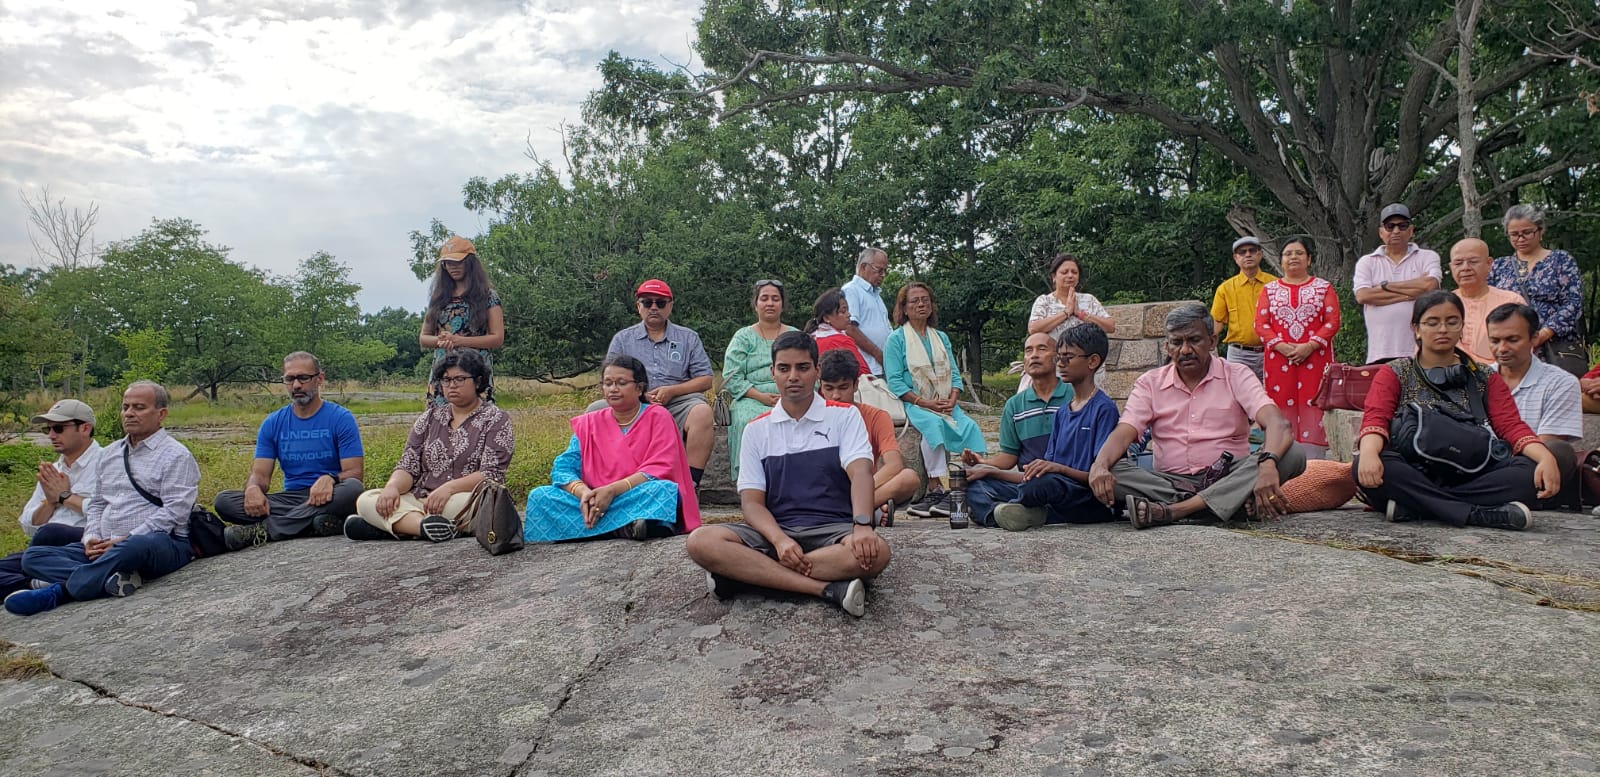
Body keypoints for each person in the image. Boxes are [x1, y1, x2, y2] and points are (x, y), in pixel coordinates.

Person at [685, 331, 889, 617]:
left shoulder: (844, 416)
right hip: (774, 533)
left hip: (833, 530)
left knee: (877, 553)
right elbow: (752, 503)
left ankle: (747, 576)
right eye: (784, 368)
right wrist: (780, 540)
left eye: (802, 367)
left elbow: (861, 474)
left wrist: (863, 525)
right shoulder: (756, 429)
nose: (793, 376)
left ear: (817, 370)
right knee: (700, 541)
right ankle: (825, 589)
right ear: (773, 372)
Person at [1352, 291, 1560, 530]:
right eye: (1432, 322)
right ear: (1416, 329)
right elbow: (1376, 418)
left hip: (1471, 470)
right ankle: (1478, 514)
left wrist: (1545, 457)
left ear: (1462, 327)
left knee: (1529, 472)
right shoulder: (1395, 372)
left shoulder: (1484, 376)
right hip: (1414, 470)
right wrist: (1369, 453)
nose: (1443, 329)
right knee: (1367, 465)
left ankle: (1418, 506)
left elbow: (1510, 425)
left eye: (1452, 322)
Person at [1087, 303, 1307, 529]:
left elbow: (1277, 423)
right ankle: (1224, 504)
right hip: (1171, 481)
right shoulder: (1150, 383)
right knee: (1113, 471)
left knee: (1293, 453)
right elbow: (1125, 431)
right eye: (1176, 342)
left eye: (1194, 340)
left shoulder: (1237, 374)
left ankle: (1176, 510)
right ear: (1167, 347)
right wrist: (1099, 465)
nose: (1185, 350)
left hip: (1229, 474)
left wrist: (1268, 464)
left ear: (1212, 341)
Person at [5, 382, 199, 616]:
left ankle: (61, 591)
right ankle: (110, 577)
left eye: (139, 407)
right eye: (125, 407)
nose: (129, 413)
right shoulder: (110, 454)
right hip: (106, 544)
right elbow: (98, 504)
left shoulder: (176, 455)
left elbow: (175, 512)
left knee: (136, 546)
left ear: (161, 414)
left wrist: (125, 538)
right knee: (33, 557)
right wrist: (91, 537)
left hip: (157, 543)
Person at [524, 355, 702, 542]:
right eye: (608, 383)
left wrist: (612, 491)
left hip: (634, 493)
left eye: (621, 383)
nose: (613, 389)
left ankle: (589, 527)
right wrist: (584, 493)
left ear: (639, 388)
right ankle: (624, 526)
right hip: (594, 497)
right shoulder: (590, 422)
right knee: (540, 496)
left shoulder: (658, 416)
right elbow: (564, 467)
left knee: (664, 490)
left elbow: (661, 466)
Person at [346, 350, 514, 542]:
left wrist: (449, 488)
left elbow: (491, 474)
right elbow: (408, 466)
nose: (452, 385)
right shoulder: (429, 418)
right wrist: (392, 487)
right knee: (366, 500)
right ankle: (424, 527)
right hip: (421, 498)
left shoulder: (496, 419)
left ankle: (396, 526)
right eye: (446, 380)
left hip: (463, 499)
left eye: (459, 379)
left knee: (486, 507)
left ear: (478, 381)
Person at [214, 352, 365, 551]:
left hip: (329, 495)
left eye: (303, 378)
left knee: (352, 489)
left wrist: (331, 478)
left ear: (319, 378)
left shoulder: (340, 418)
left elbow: (355, 473)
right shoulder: (273, 423)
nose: (296, 385)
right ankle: (313, 524)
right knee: (224, 501)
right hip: (291, 499)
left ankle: (263, 531)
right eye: (289, 379)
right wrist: (253, 488)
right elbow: (260, 474)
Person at [988, 326, 1122, 531]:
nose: (1060, 364)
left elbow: (1098, 475)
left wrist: (1058, 469)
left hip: (1086, 494)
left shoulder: (1103, 408)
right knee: (980, 486)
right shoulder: (1061, 412)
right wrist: (990, 472)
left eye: (1068, 358)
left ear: (1092, 361)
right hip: (1057, 490)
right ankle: (1024, 513)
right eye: (1059, 358)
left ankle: (1018, 511)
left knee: (1040, 486)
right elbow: (1047, 468)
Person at [592, 279, 714, 488]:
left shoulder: (688, 338)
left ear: (670, 305)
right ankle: (602, 479)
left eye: (661, 302)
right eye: (647, 302)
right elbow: (608, 378)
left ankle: (690, 483)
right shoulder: (622, 339)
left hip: (677, 402)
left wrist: (672, 391)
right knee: (594, 411)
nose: (654, 307)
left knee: (702, 412)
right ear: (638, 306)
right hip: (633, 402)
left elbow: (706, 379)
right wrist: (638, 394)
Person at [884, 282, 988, 518]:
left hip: (945, 403)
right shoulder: (896, 339)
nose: (921, 304)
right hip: (915, 403)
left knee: (970, 427)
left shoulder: (940, 337)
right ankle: (935, 487)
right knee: (933, 425)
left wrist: (953, 399)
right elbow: (895, 382)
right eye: (915, 301)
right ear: (904, 308)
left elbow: (954, 374)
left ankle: (969, 484)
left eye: (925, 300)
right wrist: (925, 403)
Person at [959, 333, 1070, 527]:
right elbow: (1009, 457)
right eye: (1028, 351)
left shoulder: (1073, 396)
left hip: (1063, 482)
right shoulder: (1015, 405)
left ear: (1057, 357)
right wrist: (984, 464)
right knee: (973, 484)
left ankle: (1024, 512)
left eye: (1042, 349)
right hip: (1025, 483)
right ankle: (1001, 514)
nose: (1034, 355)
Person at [0, 400, 104, 598]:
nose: (51, 435)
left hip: (85, 541)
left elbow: (113, 511)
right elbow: (28, 525)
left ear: (85, 428)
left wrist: (65, 497)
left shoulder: (108, 462)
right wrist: (50, 502)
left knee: (51, 532)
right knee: (37, 544)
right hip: (45, 550)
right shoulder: (54, 470)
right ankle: (39, 584)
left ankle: (46, 579)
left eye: (58, 428)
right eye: (48, 429)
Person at [1486, 303, 1583, 510]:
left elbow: (1546, 445)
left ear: (1534, 338)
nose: (1502, 348)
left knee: (1558, 452)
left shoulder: (1561, 382)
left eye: (1512, 340)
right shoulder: (1477, 378)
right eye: (1494, 341)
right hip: (1482, 463)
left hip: (1525, 467)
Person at [1254, 236, 1341, 458]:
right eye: (1288, 254)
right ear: (1281, 261)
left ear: (1309, 259)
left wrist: (1309, 346)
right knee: (1281, 402)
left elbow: (1332, 321)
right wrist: (1282, 347)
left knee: (1315, 401)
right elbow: (1261, 325)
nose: (1293, 257)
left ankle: (1315, 463)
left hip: (1316, 358)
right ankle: (1281, 456)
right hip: (1279, 360)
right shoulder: (1269, 290)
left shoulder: (1323, 288)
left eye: (1299, 253)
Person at [817, 350, 919, 516]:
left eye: (843, 388)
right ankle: (867, 511)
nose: (836, 396)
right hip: (824, 490)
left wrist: (859, 489)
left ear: (856, 385)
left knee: (909, 478)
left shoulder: (877, 416)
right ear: (820, 386)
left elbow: (894, 464)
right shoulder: (811, 417)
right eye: (829, 388)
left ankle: (850, 510)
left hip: (863, 486)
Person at [1488, 204, 1586, 376]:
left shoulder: (1561, 260)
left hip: (1555, 346)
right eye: (1514, 234)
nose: (1520, 239)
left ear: (1541, 230)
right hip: (1511, 348)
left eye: (1527, 232)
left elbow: (1573, 303)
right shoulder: (1499, 266)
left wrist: (1543, 333)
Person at [721, 280, 796, 479]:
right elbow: (732, 375)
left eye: (775, 299)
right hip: (751, 397)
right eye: (764, 298)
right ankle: (749, 479)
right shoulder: (743, 337)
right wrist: (760, 396)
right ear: (756, 304)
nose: (770, 303)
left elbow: (808, 371)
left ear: (782, 304)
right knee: (748, 421)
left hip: (791, 397)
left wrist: (789, 397)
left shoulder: (794, 336)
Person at [419, 236, 505, 404]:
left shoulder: (488, 296)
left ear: (470, 263)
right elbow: (424, 338)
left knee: (477, 417)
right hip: (443, 370)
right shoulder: (438, 297)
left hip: (474, 370)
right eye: (448, 263)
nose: (453, 267)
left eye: (458, 262)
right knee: (439, 418)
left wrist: (459, 340)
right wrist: (441, 341)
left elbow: (497, 338)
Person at [1353, 204, 1442, 363]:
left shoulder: (1428, 257)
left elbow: (1430, 286)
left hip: (1422, 352)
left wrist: (1385, 286)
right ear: (1381, 232)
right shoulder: (1367, 262)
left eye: (1402, 226)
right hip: (1380, 354)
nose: (1396, 231)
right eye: (1390, 226)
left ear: (1411, 230)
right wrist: (1413, 294)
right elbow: (1363, 296)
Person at [1023, 253, 1114, 392]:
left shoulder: (1089, 300)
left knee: (1090, 401)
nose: (1070, 275)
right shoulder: (1044, 301)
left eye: (1074, 272)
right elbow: (1034, 328)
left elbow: (1110, 326)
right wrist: (1066, 313)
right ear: (1054, 276)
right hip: (1058, 367)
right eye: (1064, 272)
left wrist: (1080, 314)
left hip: (1088, 368)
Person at [1211, 236, 1278, 380]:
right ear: (1236, 258)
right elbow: (1217, 322)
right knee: (1237, 392)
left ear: (1260, 254)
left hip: (1271, 351)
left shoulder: (1275, 285)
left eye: (1252, 250)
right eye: (1242, 252)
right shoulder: (1225, 288)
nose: (1248, 255)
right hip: (1238, 355)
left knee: (1271, 392)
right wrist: (1204, 344)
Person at [1449, 238, 1525, 365]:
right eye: (1458, 263)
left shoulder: (1511, 302)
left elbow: (1521, 351)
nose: (1465, 268)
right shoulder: (1441, 305)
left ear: (1489, 264)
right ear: (1451, 267)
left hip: (1500, 374)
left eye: (1473, 261)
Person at [841, 247, 892, 376]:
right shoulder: (851, 290)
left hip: (883, 366)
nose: (883, 275)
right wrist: (878, 354)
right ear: (864, 267)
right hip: (868, 367)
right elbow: (849, 328)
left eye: (885, 271)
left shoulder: (876, 295)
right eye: (879, 270)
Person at [806, 288, 869, 376]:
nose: (849, 314)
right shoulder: (841, 340)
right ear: (826, 318)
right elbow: (864, 373)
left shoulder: (810, 338)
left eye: (847, 310)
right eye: (843, 311)